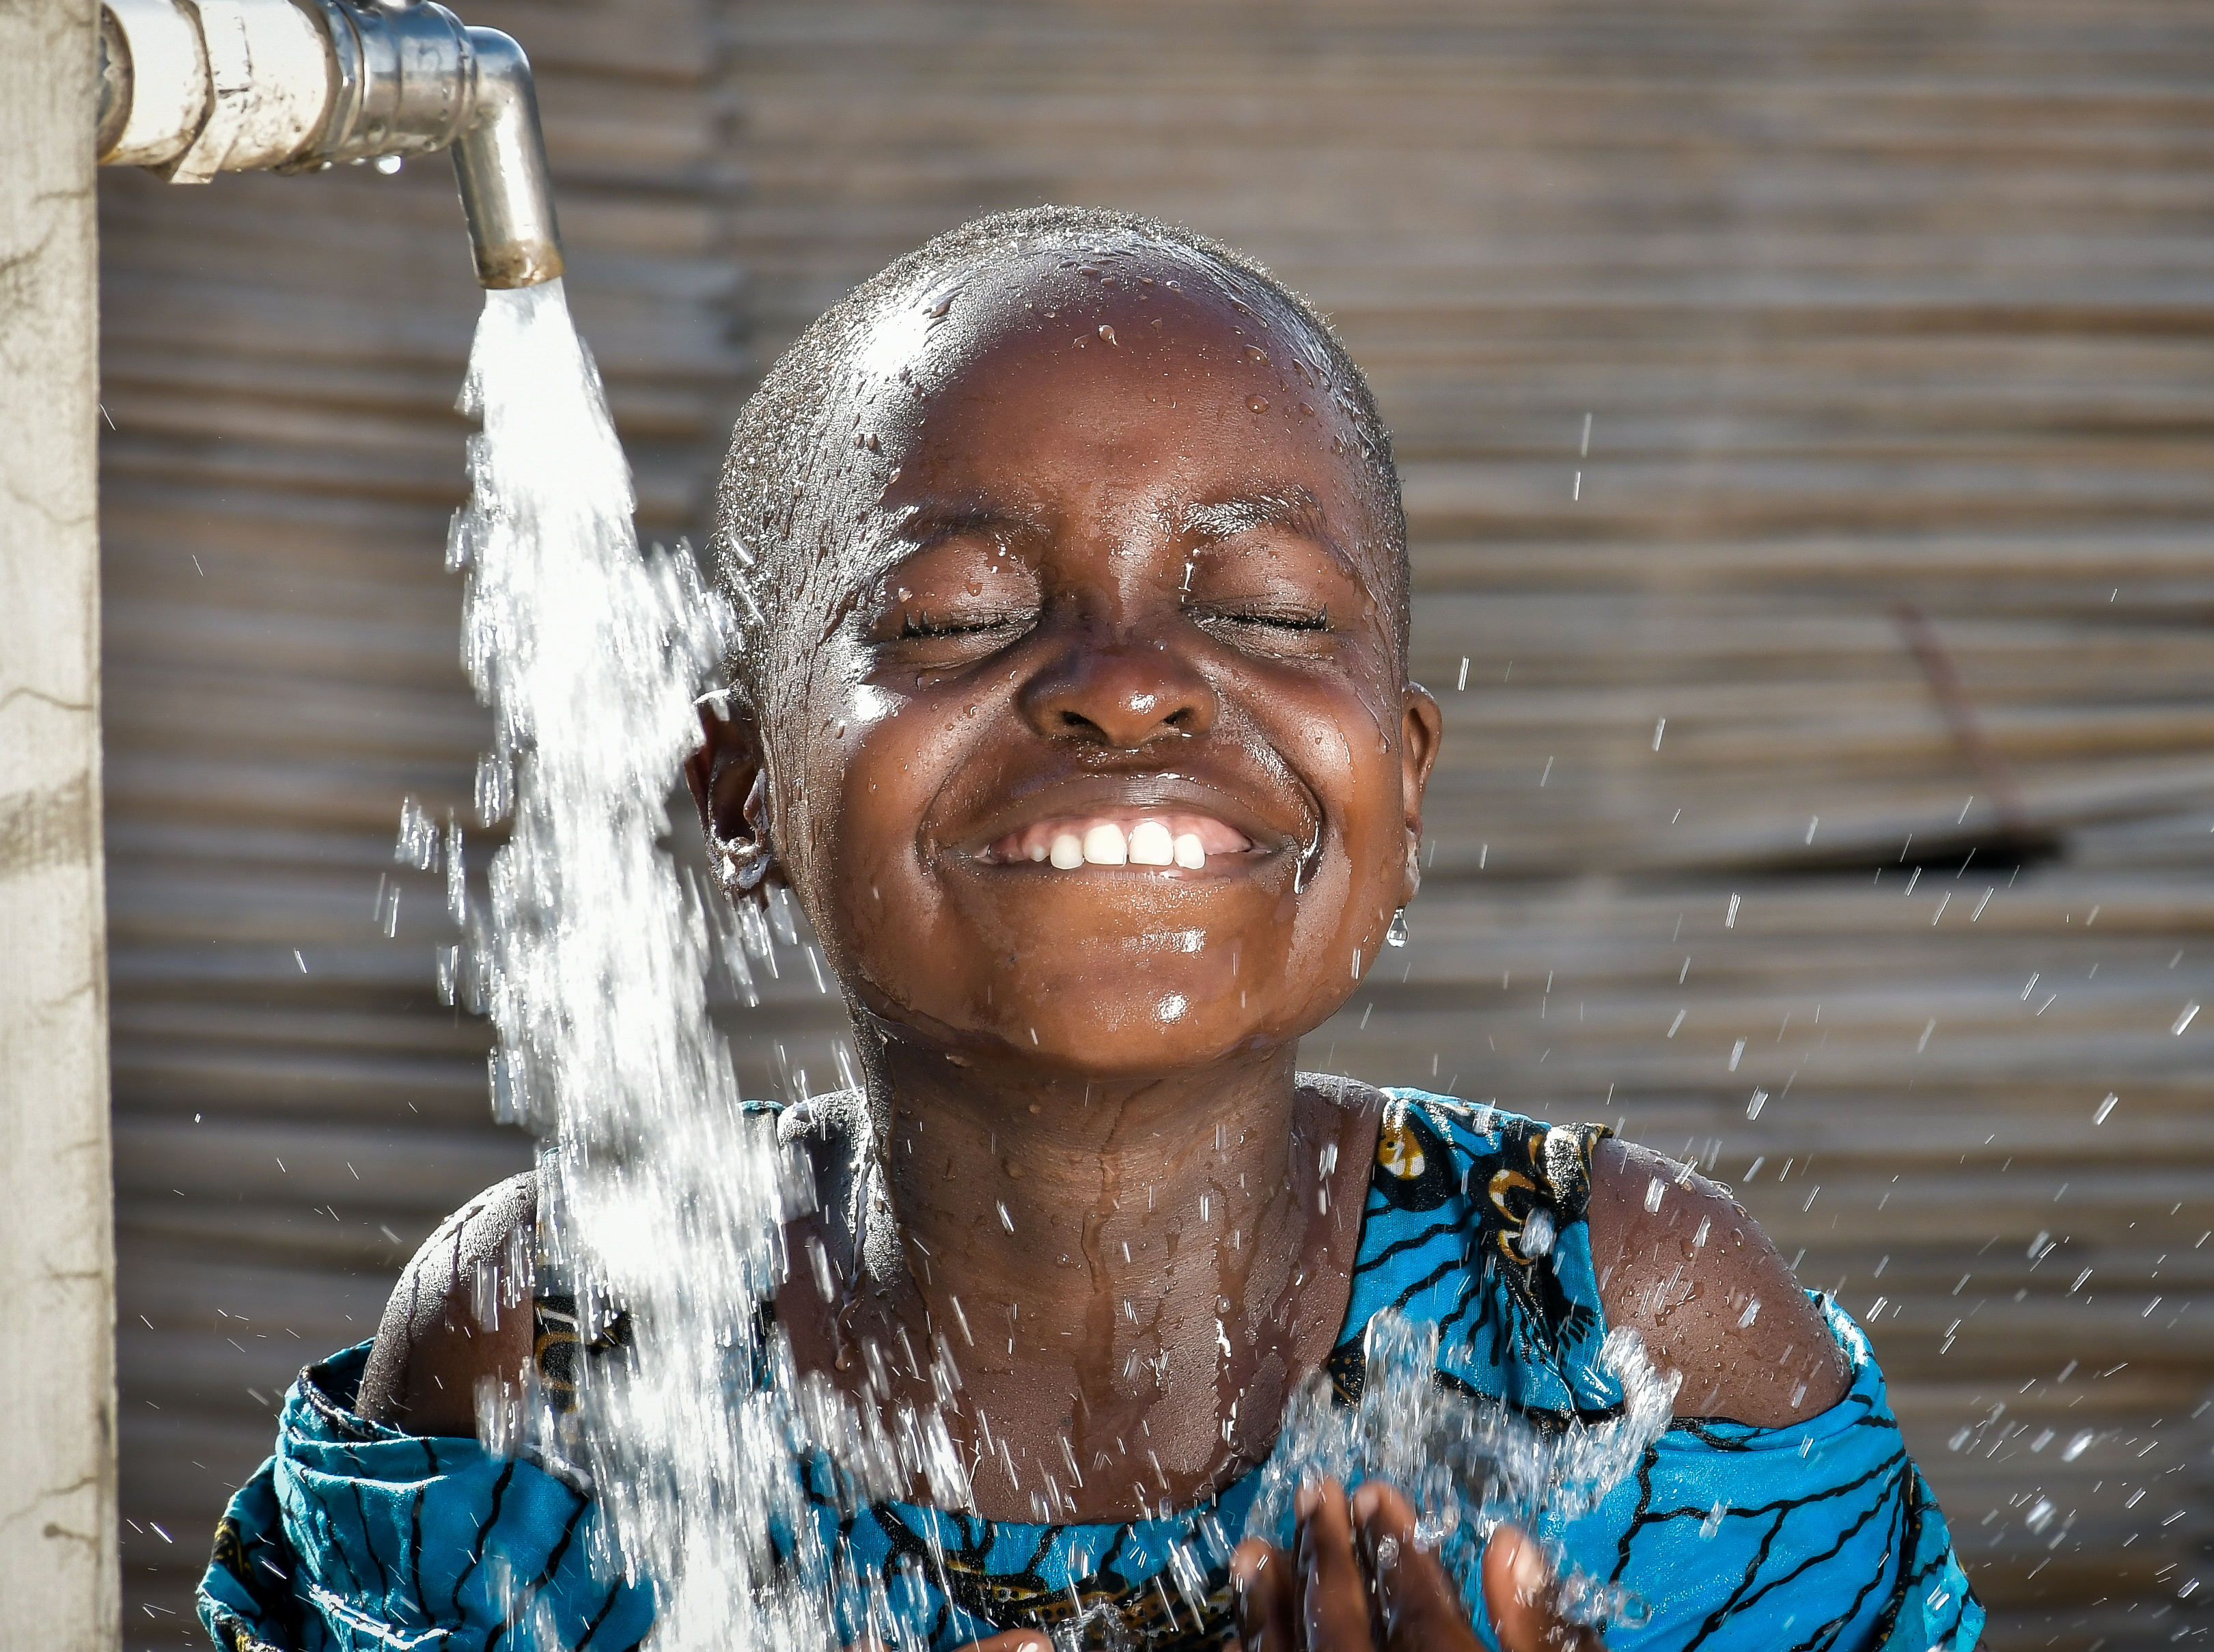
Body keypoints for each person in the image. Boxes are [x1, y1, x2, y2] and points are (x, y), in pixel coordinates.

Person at [198, 207, 1984, 1652]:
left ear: (1404, 795)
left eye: (1272, 613)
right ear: (742, 795)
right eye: (961, 615)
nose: (1132, 691)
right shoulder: (571, 1343)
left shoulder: (1618, 1340)